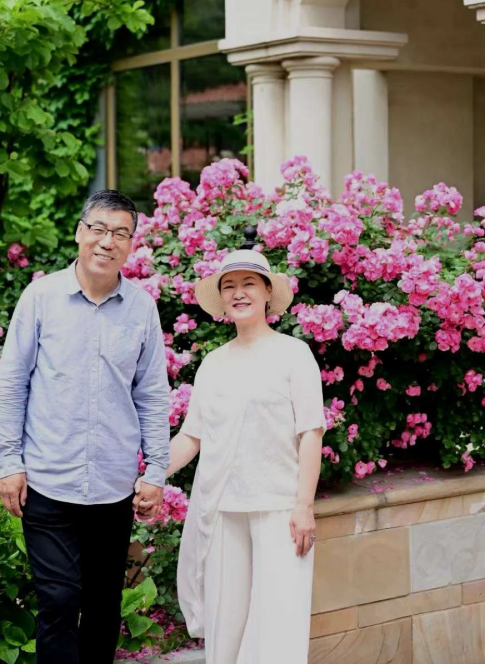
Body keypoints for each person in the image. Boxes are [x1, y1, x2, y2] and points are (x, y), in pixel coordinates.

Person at [0, 190, 170, 664]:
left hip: (112, 489)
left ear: (131, 244)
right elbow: (11, 384)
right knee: (59, 602)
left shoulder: (141, 309)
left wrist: (155, 472)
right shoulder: (41, 298)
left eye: (120, 233)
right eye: (98, 228)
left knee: (103, 609)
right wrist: (9, 462)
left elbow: (152, 393)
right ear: (79, 232)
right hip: (48, 483)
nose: (107, 241)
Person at [168, 249, 325, 664]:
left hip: (279, 508)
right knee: (225, 625)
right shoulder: (214, 364)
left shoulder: (294, 353)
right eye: (229, 286)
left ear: (268, 292)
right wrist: (148, 472)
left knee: (278, 624)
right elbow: (191, 436)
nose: (239, 293)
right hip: (220, 509)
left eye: (249, 283)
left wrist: (304, 505)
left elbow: (311, 431)